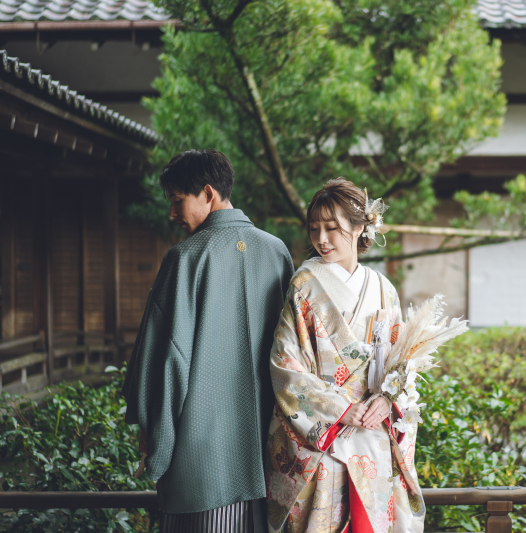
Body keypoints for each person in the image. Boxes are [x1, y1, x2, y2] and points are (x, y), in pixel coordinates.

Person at [122, 149, 294, 531]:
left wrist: (156, 444)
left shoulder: (185, 259)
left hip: (203, 466)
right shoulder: (277, 252)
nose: (172, 213)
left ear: (207, 193)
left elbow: (165, 363)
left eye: (176, 200)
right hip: (268, 462)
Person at [265, 178, 425, 533]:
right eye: (314, 229)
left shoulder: (383, 289)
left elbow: (401, 361)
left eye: (332, 228)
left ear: (359, 228)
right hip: (326, 437)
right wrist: (339, 411)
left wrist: (387, 399)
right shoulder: (304, 283)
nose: (321, 239)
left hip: (373, 432)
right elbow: (285, 365)